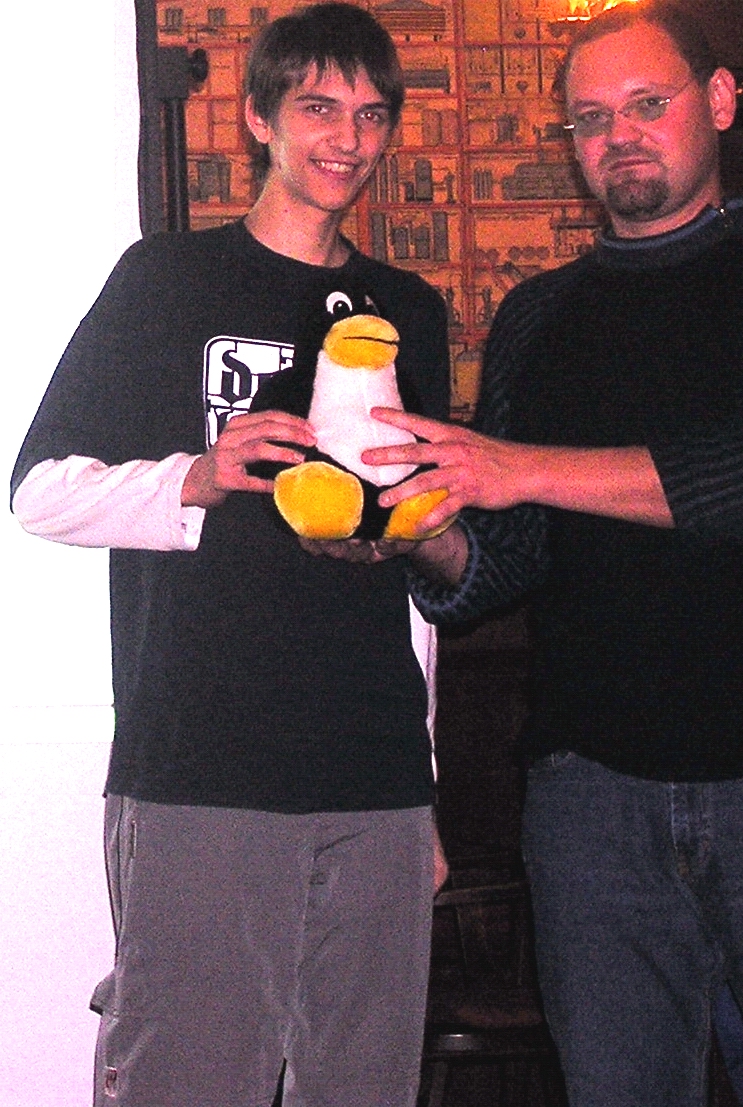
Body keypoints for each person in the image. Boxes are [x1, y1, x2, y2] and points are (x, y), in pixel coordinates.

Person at [363, 2, 743, 1104]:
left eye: (647, 104)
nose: (620, 135)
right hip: (590, 800)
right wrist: (418, 527)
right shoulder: (538, 315)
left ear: (720, 101)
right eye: (591, 119)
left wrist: (515, 467)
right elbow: (499, 570)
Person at [10, 5, 462, 1104]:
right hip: (202, 766)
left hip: (375, 780)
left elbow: (415, 592)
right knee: (187, 1083)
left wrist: (424, 788)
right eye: (318, 108)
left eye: (371, 115)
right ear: (260, 117)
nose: (348, 139)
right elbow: (39, 493)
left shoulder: (407, 308)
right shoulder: (166, 278)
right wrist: (199, 478)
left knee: (365, 1088)